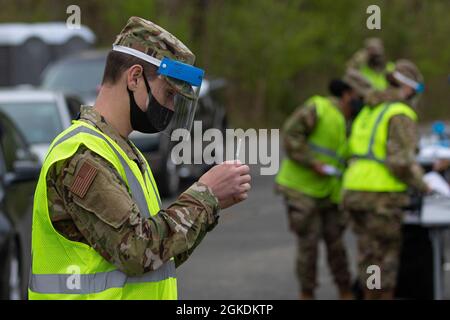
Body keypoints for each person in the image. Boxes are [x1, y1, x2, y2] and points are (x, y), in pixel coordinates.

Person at [28, 16, 251, 300]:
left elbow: (159, 258)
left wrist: (210, 206)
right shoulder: (84, 156)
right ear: (134, 78)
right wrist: (205, 196)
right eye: (168, 93)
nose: (170, 107)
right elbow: (138, 250)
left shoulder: (125, 152)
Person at [275, 69, 372, 300]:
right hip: (301, 189)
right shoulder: (318, 108)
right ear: (347, 94)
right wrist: (312, 162)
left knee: (337, 247)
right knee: (309, 247)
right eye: (360, 97)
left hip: (331, 193)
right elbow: (290, 136)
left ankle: (345, 291)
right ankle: (307, 293)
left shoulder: (357, 122)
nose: (363, 102)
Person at [342, 59, 429, 300]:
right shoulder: (400, 112)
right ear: (408, 87)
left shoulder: (370, 108)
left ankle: (369, 294)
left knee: (368, 255)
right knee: (385, 260)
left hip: (354, 192)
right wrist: (425, 185)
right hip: (381, 197)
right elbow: (400, 162)